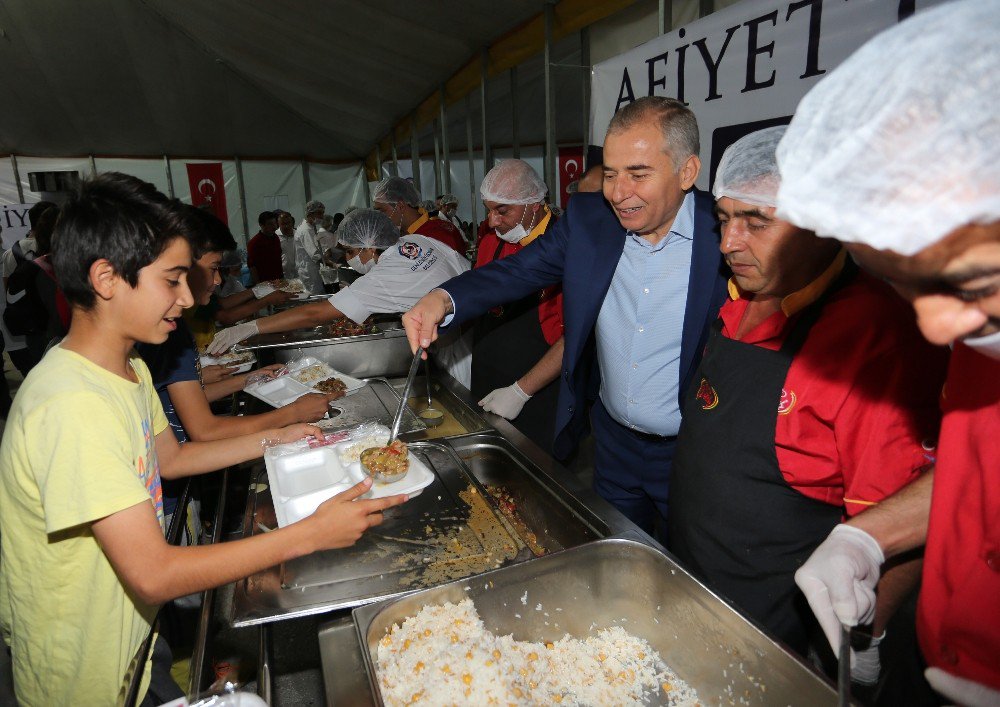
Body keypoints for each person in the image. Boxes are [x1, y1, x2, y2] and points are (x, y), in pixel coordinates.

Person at [0, 173, 407, 705]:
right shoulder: (71, 404)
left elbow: (171, 458)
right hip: (85, 672)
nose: (188, 298)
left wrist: (282, 435)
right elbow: (152, 573)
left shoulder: (126, 369)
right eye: (172, 280)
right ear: (106, 278)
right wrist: (309, 534)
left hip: (130, 641)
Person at [773, 3, 1000, 704]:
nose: (936, 327)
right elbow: (976, 467)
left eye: (971, 282)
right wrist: (868, 537)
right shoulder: (976, 325)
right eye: (900, 284)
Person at [667, 127, 948, 670]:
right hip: (692, 583)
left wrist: (861, 642)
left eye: (757, 221)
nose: (728, 243)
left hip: (775, 633)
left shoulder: (874, 338)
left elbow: (897, 517)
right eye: (724, 218)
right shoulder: (738, 295)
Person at [403, 96, 729, 537]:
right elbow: (517, 271)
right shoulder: (592, 220)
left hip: (692, 452)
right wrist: (441, 298)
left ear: (687, 171)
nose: (619, 193)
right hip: (611, 443)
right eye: (611, 174)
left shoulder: (727, 231)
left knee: (691, 569)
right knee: (615, 553)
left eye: (639, 174)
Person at [207, 209, 472, 387]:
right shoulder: (418, 240)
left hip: (455, 349)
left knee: (465, 397)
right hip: (475, 325)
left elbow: (315, 314)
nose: (347, 258)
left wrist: (250, 327)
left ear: (370, 246)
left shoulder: (383, 276)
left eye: (349, 251)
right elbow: (466, 268)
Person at [471, 160, 565, 454]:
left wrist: (520, 391)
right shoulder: (490, 241)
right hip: (487, 372)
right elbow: (477, 297)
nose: (492, 221)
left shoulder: (563, 245)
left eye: (502, 211)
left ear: (534, 204)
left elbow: (575, 337)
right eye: (488, 210)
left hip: (538, 388)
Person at [1, 201, 57, 377]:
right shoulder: (56, 250)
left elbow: (8, 290)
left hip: (30, 329)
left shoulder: (11, 253)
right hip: (55, 325)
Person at [373, 176, 466, 253]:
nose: (380, 217)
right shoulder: (401, 236)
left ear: (400, 206)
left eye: (382, 210)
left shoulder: (439, 233)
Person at [294, 200, 326, 294]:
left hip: (313, 270)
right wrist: (331, 264)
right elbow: (315, 254)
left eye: (323, 213)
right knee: (313, 297)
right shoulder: (305, 230)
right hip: (309, 272)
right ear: (310, 214)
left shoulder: (312, 227)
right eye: (319, 213)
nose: (322, 216)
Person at [246, 210, 282, 283]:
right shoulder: (254, 243)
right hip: (264, 282)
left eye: (275, 223)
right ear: (261, 225)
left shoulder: (276, 238)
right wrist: (259, 285)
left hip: (278, 279)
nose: (274, 227)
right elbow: (252, 267)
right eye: (270, 224)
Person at [275, 210, 298, 280]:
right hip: (282, 276)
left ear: (292, 223)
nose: (286, 226)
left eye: (288, 223)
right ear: (278, 224)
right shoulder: (275, 236)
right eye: (283, 223)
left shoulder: (298, 235)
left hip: (299, 274)